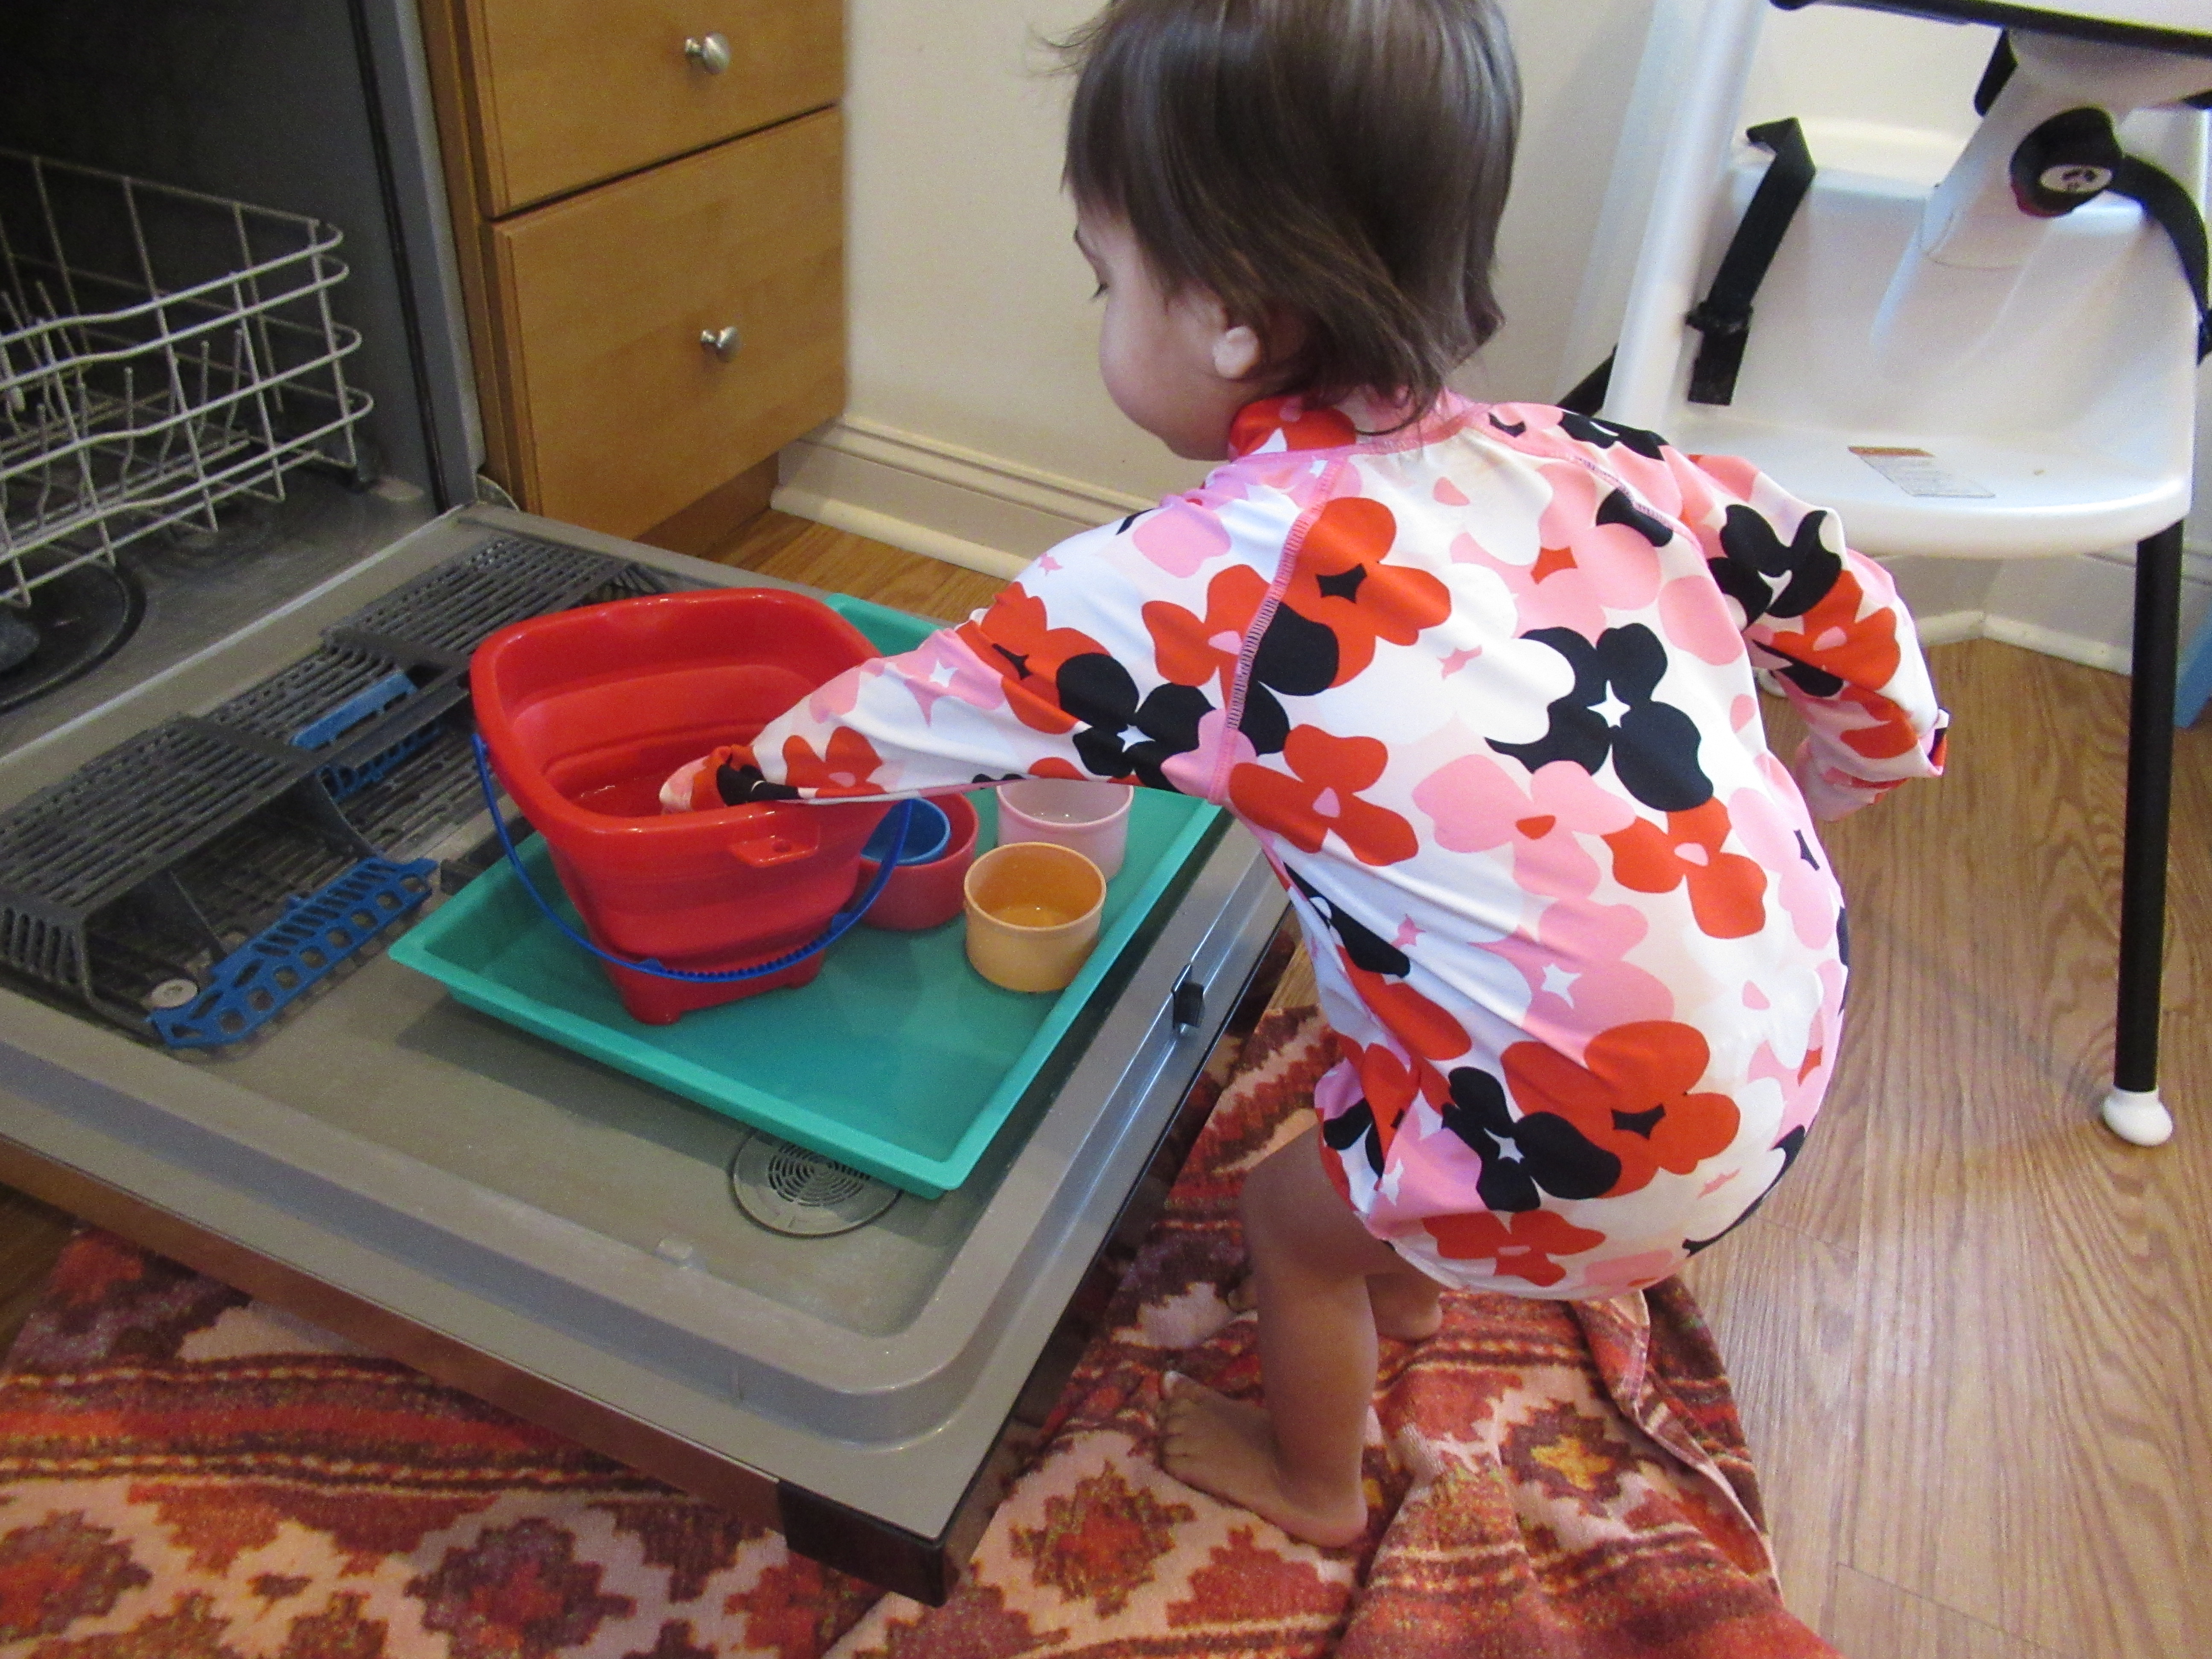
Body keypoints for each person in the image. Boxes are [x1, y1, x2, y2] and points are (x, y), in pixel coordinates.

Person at [663, 0, 1946, 1548]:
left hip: (1609, 1140)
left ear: (1233, 321)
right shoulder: (1607, 461)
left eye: (1107, 276)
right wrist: (1866, 761)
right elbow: (1847, 604)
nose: (1099, 306)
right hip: (1787, 1032)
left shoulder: (1219, 583)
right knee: (1431, 1010)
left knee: (1288, 1217)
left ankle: (1314, 1482)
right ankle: (1423, 1264)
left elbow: (923, 710)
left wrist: (722, 783)